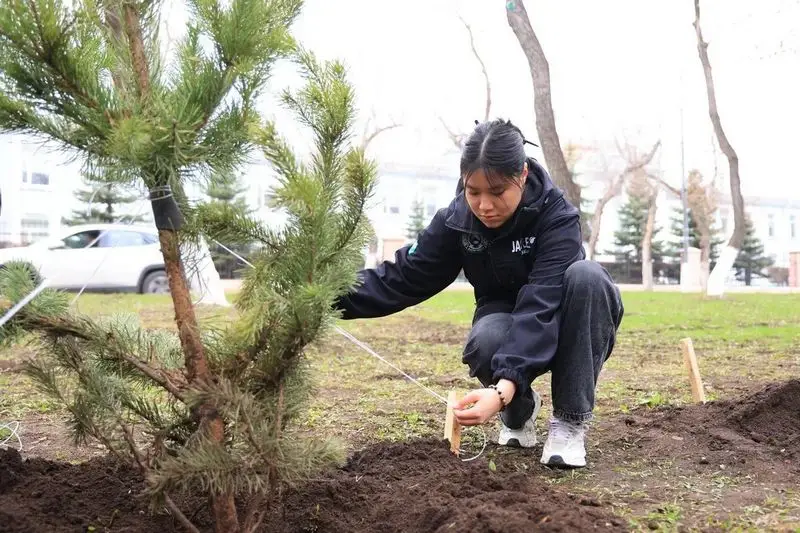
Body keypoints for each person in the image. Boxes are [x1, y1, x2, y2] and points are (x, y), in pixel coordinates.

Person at [335, 119, 623, 468]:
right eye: (474, 191)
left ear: (522, 174)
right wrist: (325, 296)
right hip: (502, 313)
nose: (484, 205)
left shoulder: (556, 216)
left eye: (497, 192)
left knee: (588, 276)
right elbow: (402, 276)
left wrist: (501, 390)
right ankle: (520, 413)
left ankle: (569, 421)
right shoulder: (456, 221)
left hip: (563, 318)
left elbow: (540, 303)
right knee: (486, 339)